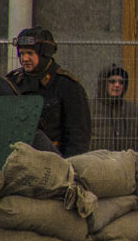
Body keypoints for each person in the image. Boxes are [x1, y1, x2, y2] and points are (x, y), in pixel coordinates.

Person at [6, 27, 91, 156]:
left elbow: (78, 135)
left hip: (54, 159)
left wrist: (68, 167)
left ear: (44, 54)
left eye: (30, 53)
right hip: (17, 157)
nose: (25, 59)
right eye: (22, 54)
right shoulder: (14, 82)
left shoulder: (67, 86)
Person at [90, 64, 138, 152]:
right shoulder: (89, 109)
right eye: (112, 81)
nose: (117, 85)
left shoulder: (134, 111)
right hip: (98, 163)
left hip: (128, 163)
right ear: (103, 83)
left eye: (121, 82)